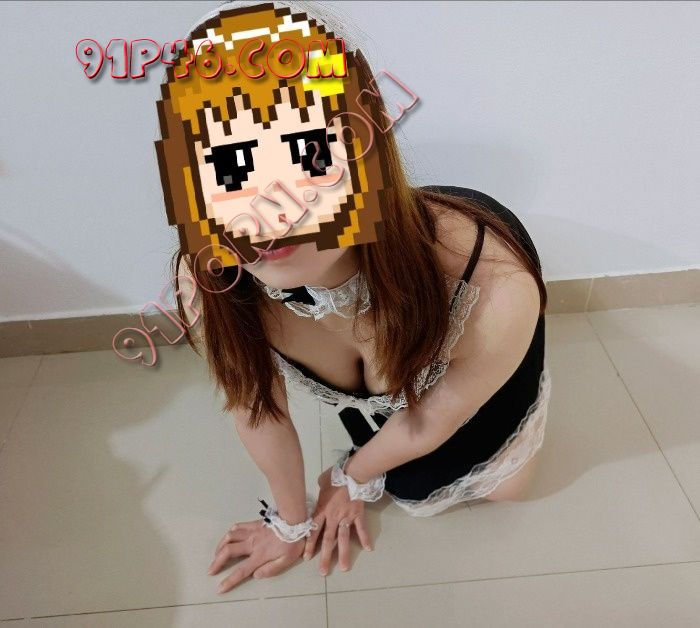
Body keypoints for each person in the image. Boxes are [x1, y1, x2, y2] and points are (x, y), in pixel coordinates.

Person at [155, 1, 551, 593]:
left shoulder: (495, 290)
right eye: (228, 165)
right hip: (377, 266)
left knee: (499, 487)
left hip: (454, 268)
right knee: (403, 460)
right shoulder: (211, 275)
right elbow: (255, 405)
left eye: (305, 153)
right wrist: (292, 521)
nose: (263, 211)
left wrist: (350, 476)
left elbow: (437, 414)